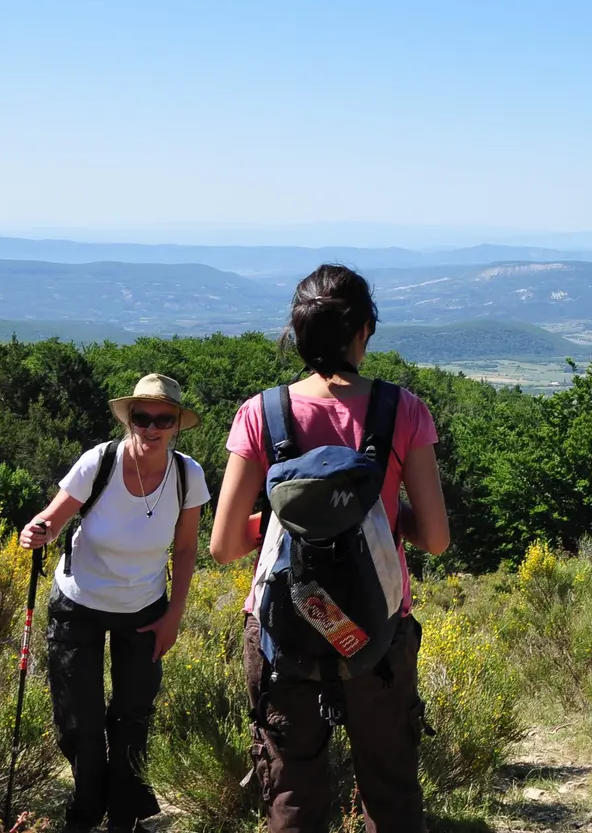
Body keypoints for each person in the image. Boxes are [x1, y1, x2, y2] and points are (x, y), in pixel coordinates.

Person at [210, 264, 450, 833]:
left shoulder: (261, 414)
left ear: (297, 335)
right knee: (390, 792)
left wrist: (288, 516)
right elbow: (436, 539)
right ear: (364, 329)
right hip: (379, 629)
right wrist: (381, 512)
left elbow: (223, 546)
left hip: (282, 630)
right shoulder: (403, 410)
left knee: (292, 795)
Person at [19, 373, 209, 833]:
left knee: (132, 717)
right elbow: (55, 517)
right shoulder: (99, 461)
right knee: (77, 720)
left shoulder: (188, 475)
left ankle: (122, 817)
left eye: (164, 419)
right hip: (78, 602)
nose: (152, 427)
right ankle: (87, 810)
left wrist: (173, 619)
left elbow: (185, 552)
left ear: (177, 424)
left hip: (144, 609)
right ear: (130, 420)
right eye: (142, 417)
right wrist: (36, 530)